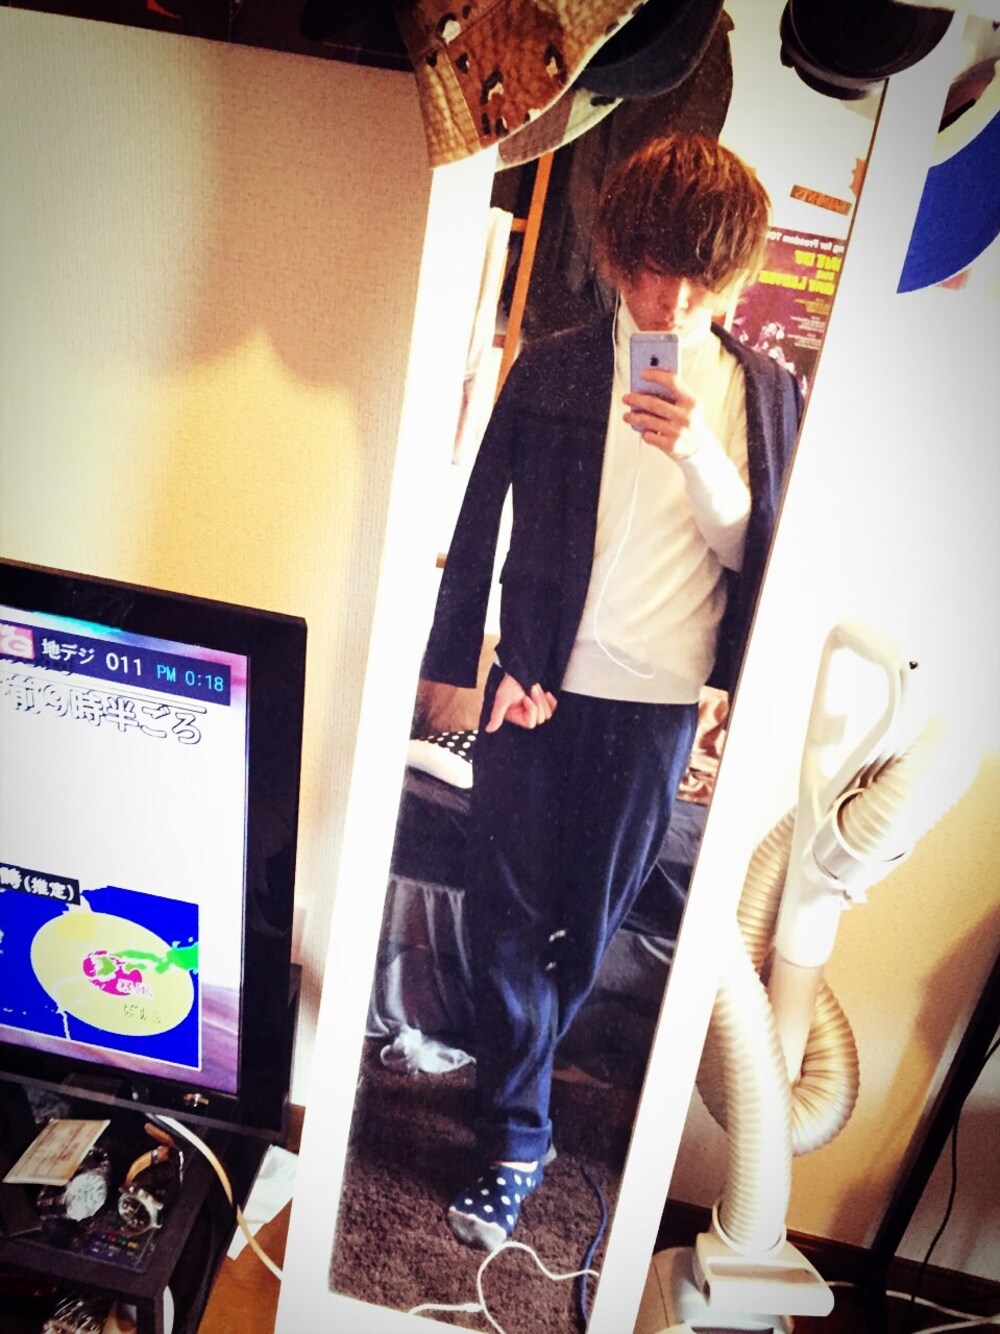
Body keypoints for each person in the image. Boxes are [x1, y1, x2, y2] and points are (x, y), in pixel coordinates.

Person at [420, 132, 803, 1251]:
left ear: (732, 274)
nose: (671, 299)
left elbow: (763, 559)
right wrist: (465, 668)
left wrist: (697, 454)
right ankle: (515, 1134)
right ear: (613, 253)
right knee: (502, 909)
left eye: (697, 276)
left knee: (582, 925)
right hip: (535, 684)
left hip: (657, 704)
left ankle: (519, 1094)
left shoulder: (764, 394)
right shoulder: (552, 365)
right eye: (650, 268)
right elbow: (478, 518)